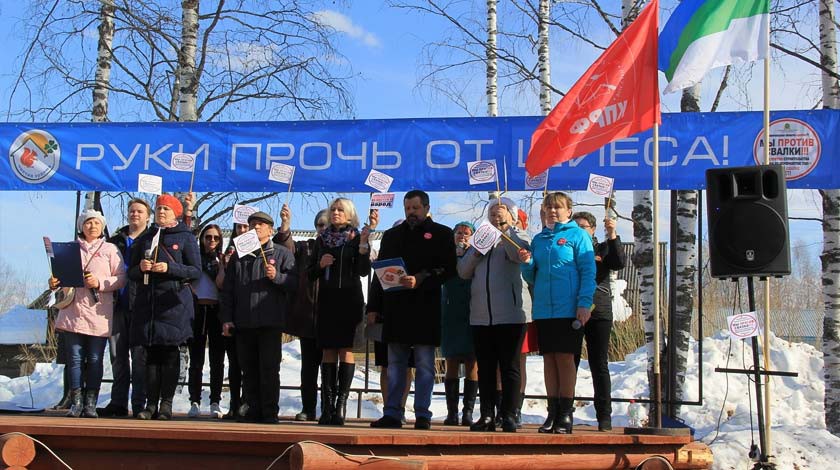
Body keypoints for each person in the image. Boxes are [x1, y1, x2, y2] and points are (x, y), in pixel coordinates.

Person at [369, 190, 456, 430]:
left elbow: (448, 270)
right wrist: (373, 307)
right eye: (407, 209)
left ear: (426, 208)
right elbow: (380, 273)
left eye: (415, 209)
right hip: (395, 309)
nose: (411, 213)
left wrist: (421, 279)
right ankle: (393, 412)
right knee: (395, 365)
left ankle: (423, 414)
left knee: (425, 365)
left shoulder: (442, 234)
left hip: (425, 309)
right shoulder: (392, 235)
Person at [519, 192, 595, 434]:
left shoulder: (578, 235)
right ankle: (552, 414)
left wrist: (584, 303)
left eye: (558, 207)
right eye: (548, 207)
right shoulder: (539, 239)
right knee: (549, 360)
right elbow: (531, 276)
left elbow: (588, 271)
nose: (552, 211)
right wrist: (527, 263)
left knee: (564, 359)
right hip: (544, 309)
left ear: (568, 211)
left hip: (568, 308)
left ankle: (565, 414)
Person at [458, 199, 531, 432]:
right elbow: (463, 271)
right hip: (480, 316)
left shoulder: (519, 237)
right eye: (491, 213)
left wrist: (505, 229)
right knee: (486, 368)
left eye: (499, 212)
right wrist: (478, 250)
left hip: (510, 314)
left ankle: (509, 414)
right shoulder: (480, 238)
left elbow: (517, 255)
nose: (495, 216)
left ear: (511, 215)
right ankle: (487, 414)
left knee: (509, 366)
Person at [49, 209, 127, 418]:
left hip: (98, 311)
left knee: (94, 358)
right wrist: (54, 283)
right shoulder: (70, 248)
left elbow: (121, 278)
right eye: (88, 222)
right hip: (72, 310)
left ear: (102, 227)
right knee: (74, 358)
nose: (92, 226)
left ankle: (90, 403)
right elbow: (59, 278)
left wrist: (100, 283)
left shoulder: (110, 249)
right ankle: (76, 401)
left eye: (96, 223)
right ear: (81, 226)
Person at [130, 194, 202, 420]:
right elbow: (130, 272)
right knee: (150, 357)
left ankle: (166, 404)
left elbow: (195, 271)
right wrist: (141, 267)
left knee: (170, 355)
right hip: (149, 306)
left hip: (173, 304)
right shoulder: (146, 237)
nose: (161, 212)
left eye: (166, 209)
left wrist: (170, 268)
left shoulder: (185, 237)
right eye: (159, 208)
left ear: (176, 213)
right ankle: (150, 403)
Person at [221, 211, 296, 424]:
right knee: (248, 369)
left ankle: (269, 411)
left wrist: (278, 277)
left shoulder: (282, 254)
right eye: (252, 224)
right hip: (244, 322)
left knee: (269, 368)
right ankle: (252, 409)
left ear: (270, 230)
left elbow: (294, 283)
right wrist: (227, 318)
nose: (255, 228)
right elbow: (228, 290)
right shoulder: (240, 255)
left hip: (270, 322)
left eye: (261, 224)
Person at [310, 199, 377, 426]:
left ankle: (340, 406)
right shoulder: (321, 240)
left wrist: (362, 246)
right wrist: (320, 264)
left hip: (350, 300)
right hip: (328, 300)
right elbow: (309, 273)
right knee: (328, 351)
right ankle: (327, 407)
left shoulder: (356, 237)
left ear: (349, 215)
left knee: (345, 350)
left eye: (341, 210)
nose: (336, 213)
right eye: (333, 210)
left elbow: (363, 271)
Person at [572, 211, 625, 431]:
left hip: (599, 310)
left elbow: (618, 262)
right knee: (569, 363)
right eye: (575, 226)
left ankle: (604, 415)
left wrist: (612, 235)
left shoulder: (602, 249)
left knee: (598, 363)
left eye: (583, 227)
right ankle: (563, 410)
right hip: (572, 310)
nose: (579, 230)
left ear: (593, 229)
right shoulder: (568, 247)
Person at [98, 198, 151, 418]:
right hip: (117, 305)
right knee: (117, 357)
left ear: (148, 216)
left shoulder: (153, 240)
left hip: (143, 306)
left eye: (139, 211)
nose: (135, 214)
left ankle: (139, 404)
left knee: (139, 359)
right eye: (131, 211)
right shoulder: (114, 241)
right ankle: (118, 402)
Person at [280, 208, 328, 422]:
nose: (323, 229)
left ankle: (330, 409)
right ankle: (308, 408)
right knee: (308, 368)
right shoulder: (306, 247)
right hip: (307, 316)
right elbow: (287, 248)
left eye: (327, 225)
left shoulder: (342, 247)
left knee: (329, 368)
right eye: (320, 225)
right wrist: (285, 225)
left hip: (330, 317)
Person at [187, 224, 227, 419]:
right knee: (196, 359)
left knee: (217, 359)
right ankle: (194, 400)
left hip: (216, 310)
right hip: (197, 309)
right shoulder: (194, 260)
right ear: (202, 239)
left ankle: (215, 401)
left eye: (216, 238)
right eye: (208, 237)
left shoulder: (222, 259)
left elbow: (222, 284)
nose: (212, 241)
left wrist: (222, 267)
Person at [441, 221, 478, 426]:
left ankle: (468, 411)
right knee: (452, 361)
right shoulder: (447, 255)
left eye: (466, 233)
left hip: (473, 310)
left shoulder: (477, 255)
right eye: (458, 233)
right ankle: (452, 412)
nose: (462, 236)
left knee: (473, 362)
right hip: (451, 311)